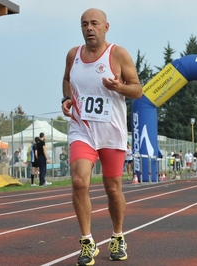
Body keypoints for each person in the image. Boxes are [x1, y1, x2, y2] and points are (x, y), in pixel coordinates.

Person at [61, 8, 143, 265]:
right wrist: (66, 98)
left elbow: (138, 90)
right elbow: (66, 79)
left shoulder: (117, 54)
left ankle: (118, 236)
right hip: (82, 129)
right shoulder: (73, 55)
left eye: (94, 23)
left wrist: (120, 87)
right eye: (84, 24)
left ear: (106, 27)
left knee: (113, 188)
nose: (89, 28)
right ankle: (87, 242)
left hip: (111, 131)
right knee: (78, 182)